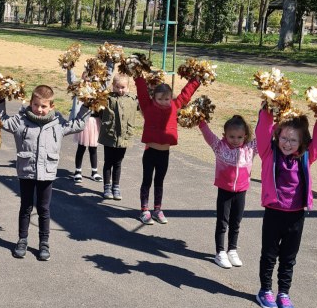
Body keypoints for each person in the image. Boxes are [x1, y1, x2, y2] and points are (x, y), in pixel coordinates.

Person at [0, 85, 91, 261]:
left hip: (47, 174)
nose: (39, 109)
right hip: (26, 172)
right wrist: (0, 98)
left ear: (51, 106)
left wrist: (88, 104)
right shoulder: (20, 121)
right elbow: (0, 119)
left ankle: (44, 242)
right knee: (26, 207)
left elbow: (79, 124)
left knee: (44, 209)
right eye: (36, 105)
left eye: (44, 106)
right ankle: (22, 239)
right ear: (31, 103)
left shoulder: (58, 123)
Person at [255, 109, 317, 308]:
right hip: (274, 213)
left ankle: (284, 293)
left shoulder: (306, 156)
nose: (287, 144)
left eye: (293, 141)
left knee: (289, 258)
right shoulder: (268, 152)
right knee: (269, 256)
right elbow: (262, 131)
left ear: (303, 142)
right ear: (277, 136)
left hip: (296, 215)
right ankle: (265, 291)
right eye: (284, 138)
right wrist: (269, 108)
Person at [135, 77, 200, 224]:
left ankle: (157, 209)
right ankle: (144, 210)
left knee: (159, 181)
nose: (164, 102)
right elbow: (141, 92)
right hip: (150, 153)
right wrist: (138, 76)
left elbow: (186, 94)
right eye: (160, 99)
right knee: (147, 181)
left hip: (164, 154)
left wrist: (196, 80)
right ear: (154, 98)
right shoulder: (147, 106)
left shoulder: (175, 106)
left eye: (167, 98)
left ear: (171, 97)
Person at [198, 116, 258, 268]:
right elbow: (208, 134)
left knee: (236, 223)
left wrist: (272, 117)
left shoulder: (250, 149)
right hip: (224, 191)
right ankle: (220, 253)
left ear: (245, 136)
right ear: (225, 135)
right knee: (222, 223)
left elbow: (265, 135)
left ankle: (232, 250)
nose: (235, 140)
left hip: (241, 191)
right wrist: (200, 120)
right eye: (231, 136)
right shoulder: (220, 147)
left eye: (239, 137)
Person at [67, 61, 114, 183]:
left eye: (90, 80)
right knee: (81, 147)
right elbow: (71, 79)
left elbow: (107, 79)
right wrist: (69, 66)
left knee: (93, 148)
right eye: (85, 80)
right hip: (83, 122)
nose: (88, 82)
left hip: (95, 122)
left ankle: (94, 172)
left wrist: (111, 62)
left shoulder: (98, 89)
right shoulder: (79, 89)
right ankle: (78, 171)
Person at [98, 73, 139, 200]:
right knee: (108, 162)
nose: (120, 90)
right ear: (112, 86)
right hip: (109, 135)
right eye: (117, 87)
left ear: (128, 87)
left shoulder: (133, 99)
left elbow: (145, 106)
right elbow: (99, 112)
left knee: (118, 163)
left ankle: (116, 186)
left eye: (123, 87)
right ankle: (107, 187)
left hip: (124, 136)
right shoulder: (106, 99)